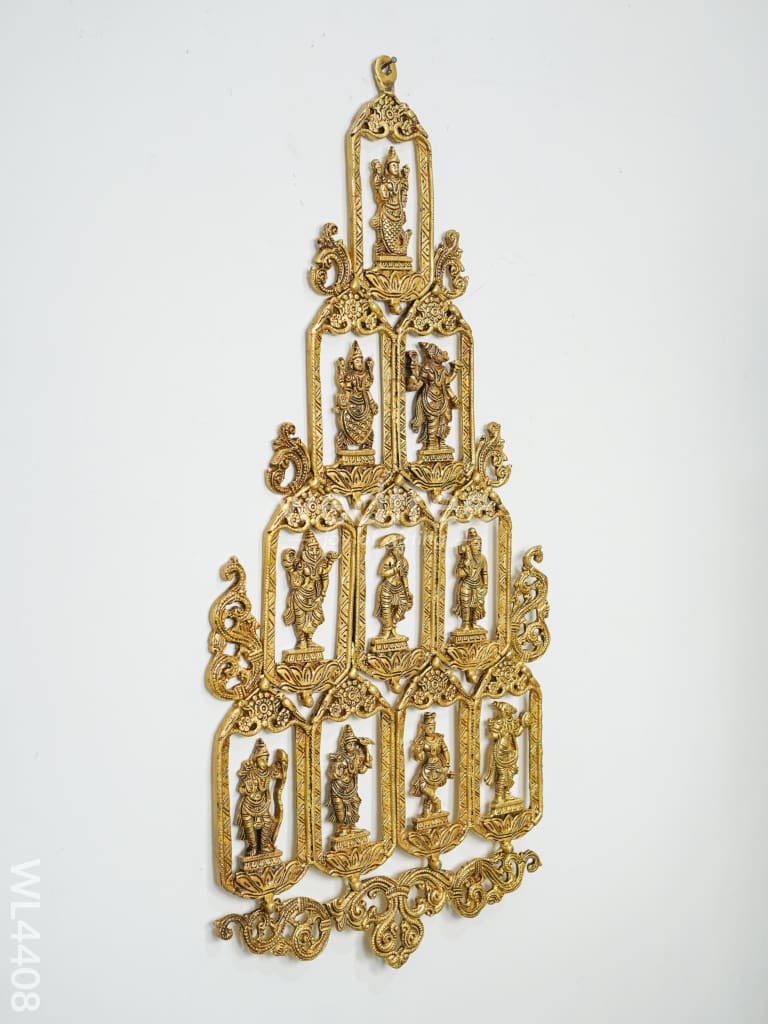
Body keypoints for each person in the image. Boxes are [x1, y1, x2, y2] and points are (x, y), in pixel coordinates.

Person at [282, 529, 338, 649]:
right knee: (300, 619)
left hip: (314, 596)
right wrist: (291, 569)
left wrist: (322, 594)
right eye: (311, 549)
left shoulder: (320, 565)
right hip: (300, 595)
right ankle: (301, 640)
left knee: (315, 617)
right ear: (305, 550)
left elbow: (325, 577)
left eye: (316, 549)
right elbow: (295, 582)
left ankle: (310, 640)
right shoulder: (301, 564)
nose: (314, 552)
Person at [234, 739, 288, 856]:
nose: (265, 762)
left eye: (267, 759)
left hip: (263, 805)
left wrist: (282, 764)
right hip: (248, 806)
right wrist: (248, 789)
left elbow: (280, 775)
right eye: (262, 759)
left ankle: (263, 846)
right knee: (249, 827)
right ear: (255, 759)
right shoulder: (251, 773)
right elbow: (240, 789)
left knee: (267, 822)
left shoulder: (268, 771)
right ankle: (252, 847)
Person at [326, 725, 374, 832]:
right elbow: (332, 774)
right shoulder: (340, 758)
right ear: (343, 745)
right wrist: (338, 767)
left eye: (353, 744)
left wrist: (366, 748)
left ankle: (351, 826)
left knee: (355, 803)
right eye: (349, 744)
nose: (352, 746)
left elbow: (362, 770)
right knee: (340, 813)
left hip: (351, 788)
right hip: (338, 789)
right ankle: (342, 829)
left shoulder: (356, 758)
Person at [410, 712, 453, 817]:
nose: (432, 729)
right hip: (427, 768)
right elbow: (419, 758)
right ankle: (436, 801)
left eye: (433, 727)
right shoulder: (422, 741)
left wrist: (447, 766)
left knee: (432, 788)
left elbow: (445, 751)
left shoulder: (439, 738)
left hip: (438, 767)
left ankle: (427, 809)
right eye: (429, 727)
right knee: (423, 787)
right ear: (424, 727)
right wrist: (417, 748)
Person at [372, 533, 413, 641]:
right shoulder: (389, 559)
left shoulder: (404, 561)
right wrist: (395, 569)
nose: (401, 550)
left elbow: (404, 576)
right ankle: (386, 631)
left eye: (402, 548)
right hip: (388, 587)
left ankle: (393, 627)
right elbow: (382, 572)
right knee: (386, 610)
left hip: (399, 587)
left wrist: (407, 590)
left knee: (403, 606)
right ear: (393, 549)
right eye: (398, 548)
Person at [452, 528, 489, 630]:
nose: (479, 546)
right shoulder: (465, 559)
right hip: (466, 584)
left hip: (478, 585)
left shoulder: (483, 559)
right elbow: (458, 573)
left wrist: (485, 586)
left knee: (477, 605)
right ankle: (466, 624)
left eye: (480, 544)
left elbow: (485, 573)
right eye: (476, 544)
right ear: (469, 545)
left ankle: (474, 622)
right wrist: (466, 566)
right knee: (466, 605)